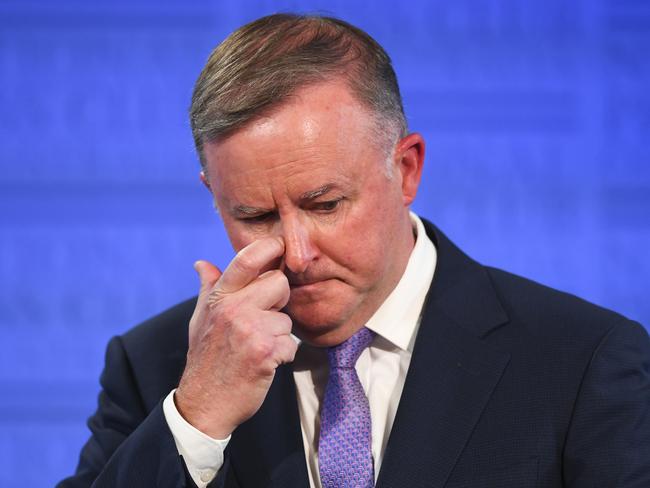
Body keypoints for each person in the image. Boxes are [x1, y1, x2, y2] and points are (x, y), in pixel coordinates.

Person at [58, 13, 650, 488]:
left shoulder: (583, 362)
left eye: (325, 204)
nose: (295, 252)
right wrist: (198, 418)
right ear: (214, 197)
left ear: (406, 168)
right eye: (255, 215)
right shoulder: (157, 369)